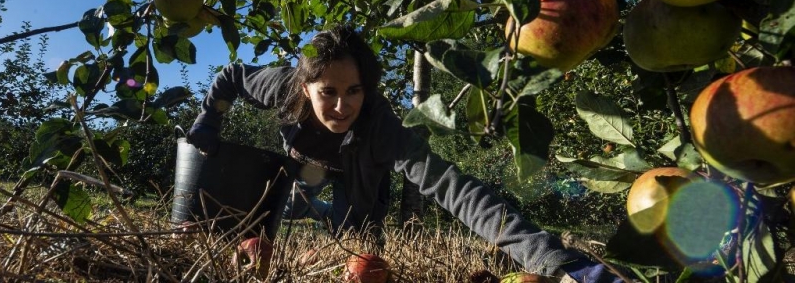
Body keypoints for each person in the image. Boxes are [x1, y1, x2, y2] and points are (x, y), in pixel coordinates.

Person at [187, 24, 626, 282]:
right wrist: (210, 118)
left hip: (359, 171)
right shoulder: (280, 86)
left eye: (354, 91)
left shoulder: (381, 126)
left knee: (357, 251)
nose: (342, 107)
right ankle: (309, 206)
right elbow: (229, 76)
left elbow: (454, 189)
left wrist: (552, 259)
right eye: (328, 93)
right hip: (303, 163)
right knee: (274, 208)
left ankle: (322, 212)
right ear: (305, 88)